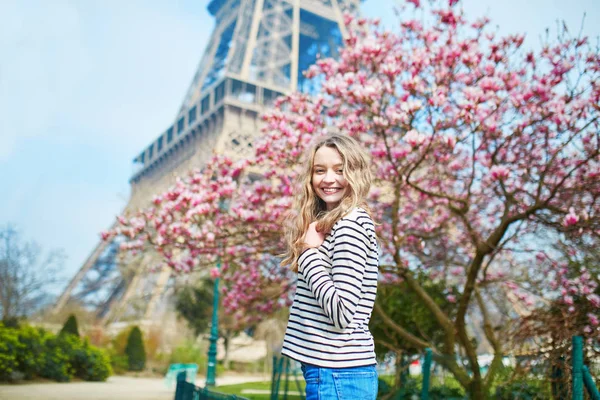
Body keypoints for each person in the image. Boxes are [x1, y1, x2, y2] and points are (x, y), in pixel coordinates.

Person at [280, 134, 379, 400]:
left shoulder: (349, 225)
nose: (328, 179)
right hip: (333, 371)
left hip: (338, 372)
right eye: (319, 170)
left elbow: (341, 312)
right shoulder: (333, 222)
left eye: (340, 170)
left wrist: (308, 254)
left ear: (354, 173)